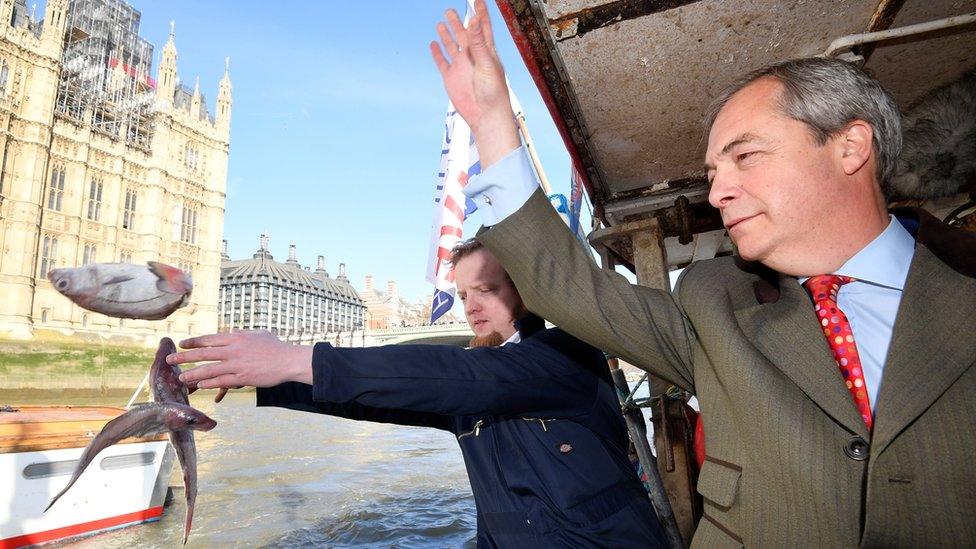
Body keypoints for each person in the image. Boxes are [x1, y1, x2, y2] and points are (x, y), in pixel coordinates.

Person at [429, 1, 976, 546]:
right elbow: (569, 288)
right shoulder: (715, 304)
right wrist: (490, 118)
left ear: (850, 147)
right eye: (713, 172)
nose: (717, 192)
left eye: (746, 156)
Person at [170, 240, 668, 548]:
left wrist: (292, 358)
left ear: (525, 291)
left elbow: (460, 376)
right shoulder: (475, 375)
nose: (471, 307)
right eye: (464, 293)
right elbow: (381, 396)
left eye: (486, 289)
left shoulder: (562, 356)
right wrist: (273, 377)